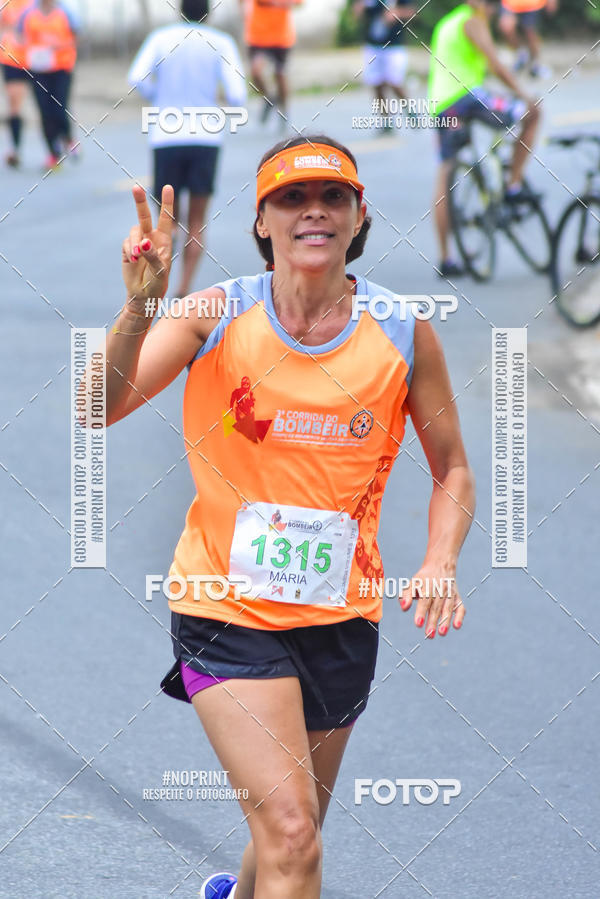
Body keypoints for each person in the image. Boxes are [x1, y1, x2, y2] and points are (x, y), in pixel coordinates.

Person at [100, 133, 474, 898]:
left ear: (359, 215)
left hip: (341, 617)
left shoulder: (404, 332)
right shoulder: (217, 315)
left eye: (332, 196)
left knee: (286, 830)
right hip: (225, 608)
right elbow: (96, 405)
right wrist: (140, 309)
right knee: (295, 836)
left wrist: (440, 557)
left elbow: (454, 468)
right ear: (262, 223)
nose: (314, 211)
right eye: (291, 198)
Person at [128, 0, 246, 298]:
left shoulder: (161, 38)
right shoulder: (221, 42)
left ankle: (160, 279)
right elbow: (237, 93)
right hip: (206, 137)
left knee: (167, 219)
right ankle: (183, 288)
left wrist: (159, 97)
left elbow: (136, 78)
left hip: (166, 136)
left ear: (179, 9)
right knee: (198, 220)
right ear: (210, 11)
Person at [428, 0, 541, 277]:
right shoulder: (472, 21)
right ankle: (513, 186)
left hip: (442, 105)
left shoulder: (448, 23)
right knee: (532, 114)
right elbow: (495, 65)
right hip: (467, 99)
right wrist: (523, 94)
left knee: (446, 172)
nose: (491, 9)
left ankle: (446, 258)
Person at [17, 0, 79, 171]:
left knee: (59, 107)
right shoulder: (28, 12)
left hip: (61, 67)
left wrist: (57, 45)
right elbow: (20, 36)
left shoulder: (66, 10)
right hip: (38, 68)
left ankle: (67, 137)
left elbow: (76, 38)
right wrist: (31, 48)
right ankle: (53, 153)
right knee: (45, 110)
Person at [352, 0, 416, 130]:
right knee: (377, 85)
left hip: (394, 46)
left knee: (394, 82)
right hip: (373, 46)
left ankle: (409, 109)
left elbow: (413, 12)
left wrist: (397, 13)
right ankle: (385, 120)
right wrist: (358, 9)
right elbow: (358, 13)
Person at [240, 0, 302, 128]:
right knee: (255, 72)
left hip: (281, 36)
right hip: (258, 35)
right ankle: (269, 98)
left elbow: (298, 3)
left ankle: (284, 111)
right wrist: (243, 11)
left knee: (280, 74)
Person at [0, 0, 31, 167]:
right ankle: (15, 149)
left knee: (48, 104)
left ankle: (61, 142)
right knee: (14, 103)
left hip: (37, 59)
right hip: (11, 58)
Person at [498, 0, 558, 78]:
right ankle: (522, 56)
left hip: (532, 3)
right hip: (510, 3)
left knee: (530, 32)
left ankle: (535, 64)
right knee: (506, 28)